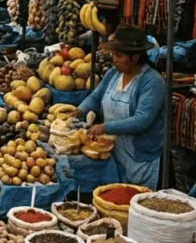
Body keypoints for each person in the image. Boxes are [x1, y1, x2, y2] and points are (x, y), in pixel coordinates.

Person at [71, 25, 165, 189]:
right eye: (114, 54)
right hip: (114, 153)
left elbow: (141, 120)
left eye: (119, 56)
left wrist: (104, 127)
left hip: (140, 159)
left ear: (135, 57)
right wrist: (80, 110)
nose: (114, 59)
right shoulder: (114, 73)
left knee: (136, 202)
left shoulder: (152, 82)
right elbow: (95, 96)